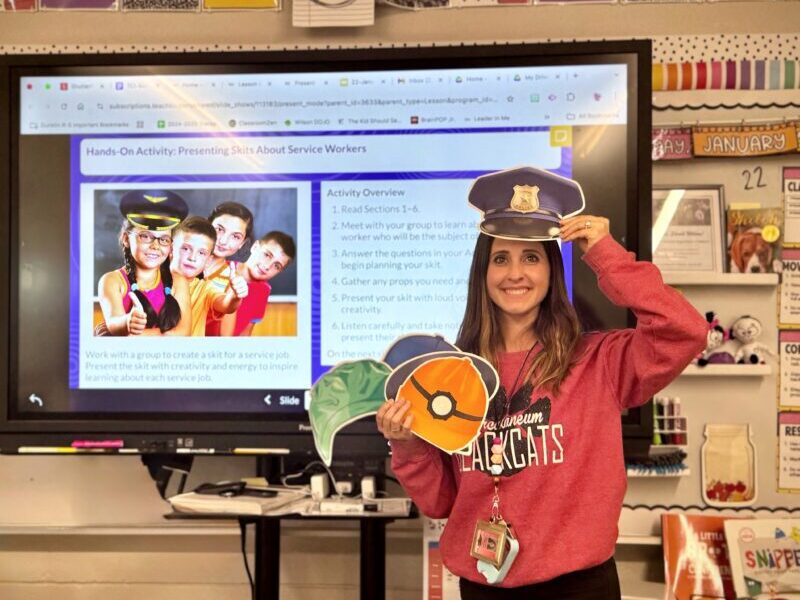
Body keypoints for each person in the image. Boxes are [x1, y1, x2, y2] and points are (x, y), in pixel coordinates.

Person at [376, 169, 707, 598]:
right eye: (501, 259)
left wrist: (607, 256)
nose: (515, 273)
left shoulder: (600, 361)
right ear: (483, 272)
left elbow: (686, 330)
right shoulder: (452, 373)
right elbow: (440, 503)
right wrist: (407, 444)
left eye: (531, 257)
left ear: (552, 270)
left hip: (579, 589)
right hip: (483, 586)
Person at [97, 190, 191, 336]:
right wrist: (127, 322)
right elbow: (114, 323)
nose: (155, 246)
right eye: (145, 236)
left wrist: (133, 335)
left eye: (164, 239)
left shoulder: (178, 282)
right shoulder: (112, 280)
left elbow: (183, 333)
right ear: (126, 239)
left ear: (171, 245)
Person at [169, 216, 249, 337]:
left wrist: (235, 296)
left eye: (201, 253)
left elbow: (225, 305)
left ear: (208, 261)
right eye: (186, 249)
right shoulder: (154, 280)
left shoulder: (205, 289)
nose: (192, 258)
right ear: (171, 249)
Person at [207, 230, 296, 337]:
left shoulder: (264, 290)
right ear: (255, 247)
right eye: (267, 255)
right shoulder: (218, 269)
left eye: (277, 266)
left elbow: (246, 332)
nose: (267, 266)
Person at [203, 201, 254, 334]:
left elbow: (226, 335)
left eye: (235, 236)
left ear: (242, 243)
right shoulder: (181, 260)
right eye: (219, 229)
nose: (223, 241)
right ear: (207, 225)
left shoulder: (233, 282)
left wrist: (235, 297)